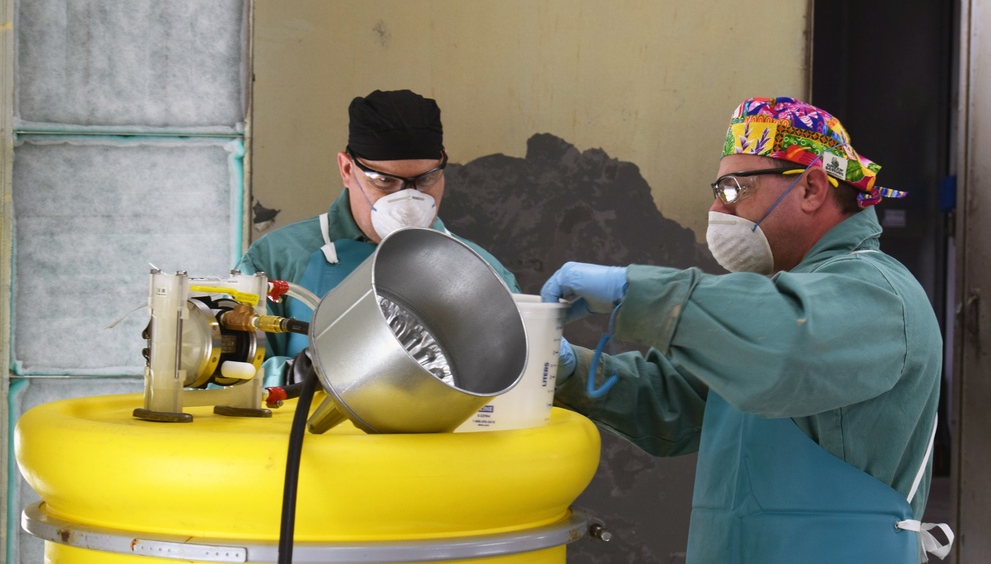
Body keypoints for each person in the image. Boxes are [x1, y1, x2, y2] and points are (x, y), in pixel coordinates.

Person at [540, 97, 952, 563]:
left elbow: (785, 344)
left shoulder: (878, 293)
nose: (717, 208)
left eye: (734, 189)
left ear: (812, 188)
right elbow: (673, 401)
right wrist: (562, 367)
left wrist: (632, 291)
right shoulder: (783, 296)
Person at [237, 89, 520, 385]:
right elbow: (228, 381)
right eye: (385, 181)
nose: (408, 200)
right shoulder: (277, 260)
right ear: (347, 169)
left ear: (443, 165)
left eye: (425, 179)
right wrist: (300, 375)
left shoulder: (484, 272)